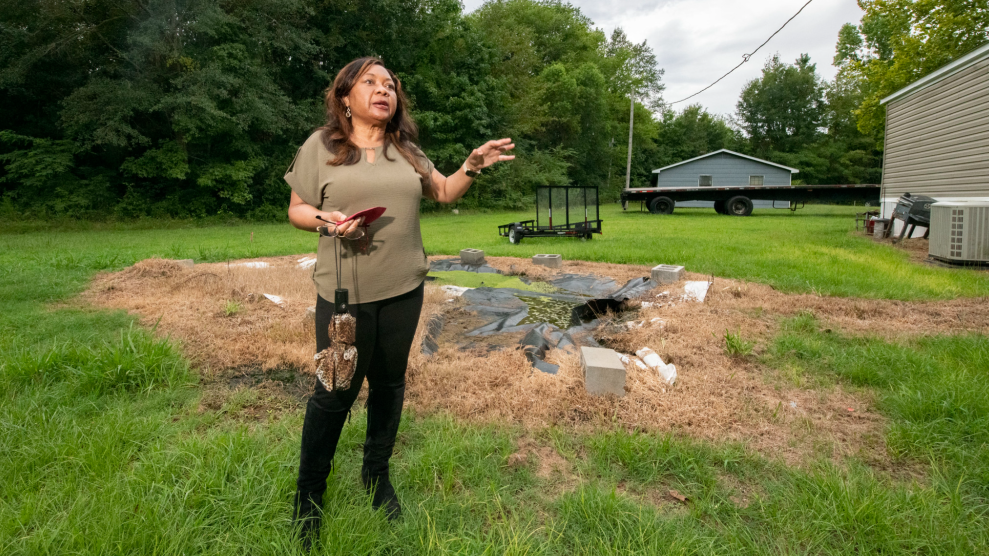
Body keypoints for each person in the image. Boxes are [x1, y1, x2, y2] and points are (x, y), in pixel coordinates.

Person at [284, 56, 514, 549]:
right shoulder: (321, 146)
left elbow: (446, 192)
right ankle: (309, 496)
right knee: (333, 392)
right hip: (344, 295)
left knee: (388, 385)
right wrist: (327, 221)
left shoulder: (406, 150)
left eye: (389, 84)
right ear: (345, 96)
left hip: (404, 291)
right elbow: (298, 209)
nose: (383, 90)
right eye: (370, 82)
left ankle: (376, 475)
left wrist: (470, 166)